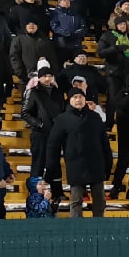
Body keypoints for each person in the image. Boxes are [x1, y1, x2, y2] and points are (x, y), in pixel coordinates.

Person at [47, 88, 113, 217]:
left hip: (96, 164)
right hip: (75, 165)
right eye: (75, 97)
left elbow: (104, 142)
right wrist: (51, 167)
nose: (78, 100)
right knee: (76, 200)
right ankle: (77, 230)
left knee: (99, 199)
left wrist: (108, 163)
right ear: (69, 100)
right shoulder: (62, 119)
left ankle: (99, 228)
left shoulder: (94, 117)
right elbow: (53, 145)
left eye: (80, 97)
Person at [21, 64, 65, 181]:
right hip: (40, 134)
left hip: (55, 133)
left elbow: (63, 110)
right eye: (44, 76)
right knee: (38, 164)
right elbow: (25, 112)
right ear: (39, 78)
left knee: (54, 164)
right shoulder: (33, 92)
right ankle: (35, 193)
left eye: (50, 76)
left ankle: (57, 193)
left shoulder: (57, 92)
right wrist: (39, 124)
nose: (47, 78)